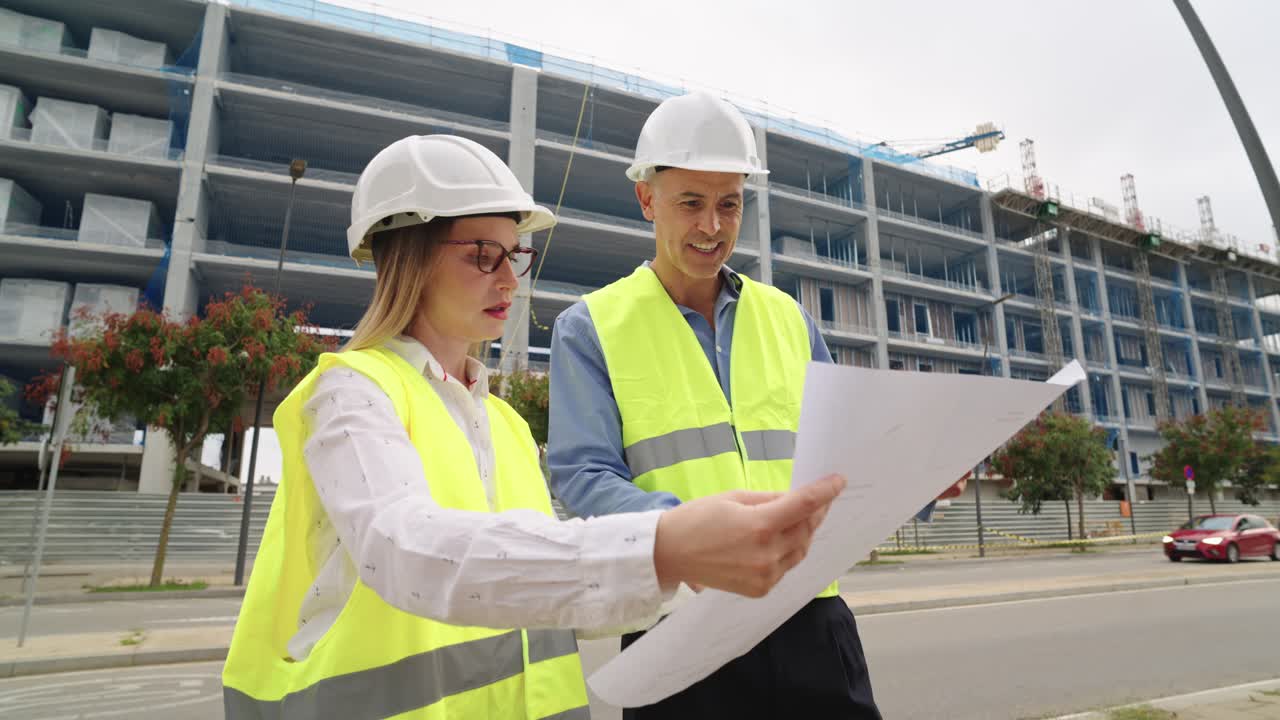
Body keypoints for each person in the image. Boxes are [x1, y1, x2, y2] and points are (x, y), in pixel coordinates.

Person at [221, 134, 844, 720]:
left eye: (514, 255)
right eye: (481, 255)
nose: (509, 280)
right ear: (405, 257)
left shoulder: (505, 424)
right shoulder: (352, 394)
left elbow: (549, 589)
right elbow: (406, 549)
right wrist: (664, 543)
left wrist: (709, 568)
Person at [548, 93, 882, 718]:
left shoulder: (788, 318)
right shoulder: (589, 328)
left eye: (728, 203)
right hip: (680, 625)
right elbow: (583, 474)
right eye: (691, 204)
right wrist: (691, 535)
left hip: (810, 617)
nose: (712, 227)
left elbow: (843, 446)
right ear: (647, 200)